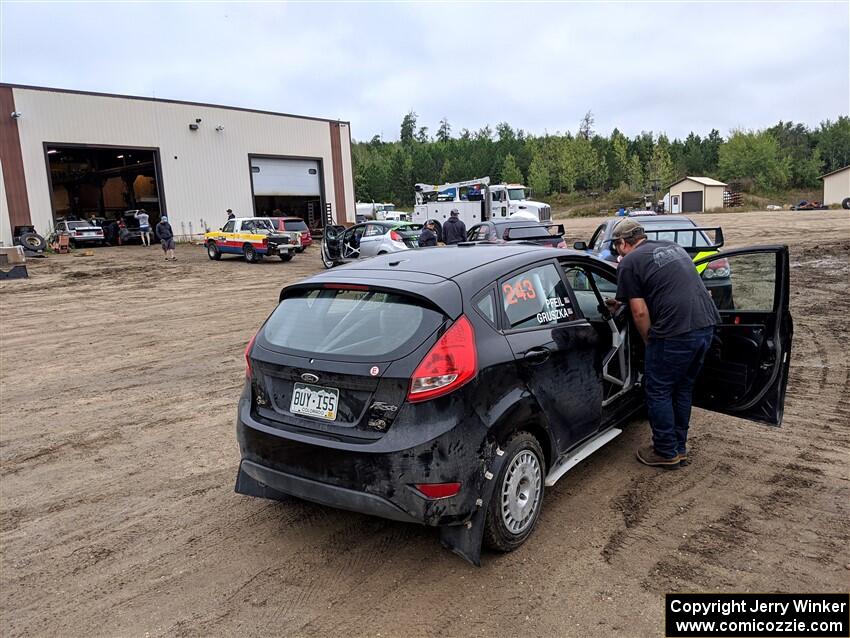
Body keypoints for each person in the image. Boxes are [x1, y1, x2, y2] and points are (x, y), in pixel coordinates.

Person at [608, 219, 720, 470]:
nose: (617, 251)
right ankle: (679, 448)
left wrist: (650, 342)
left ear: (622, 243)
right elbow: (665, 288)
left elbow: (639, 313)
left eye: (617, 246)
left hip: (674, 334)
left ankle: (665, 451)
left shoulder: (629, 262)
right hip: (706, 325)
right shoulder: (673, 248)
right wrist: (622, 303)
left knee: (658, 389)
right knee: (682, 388)